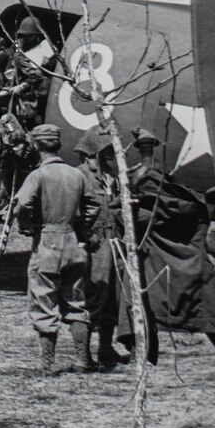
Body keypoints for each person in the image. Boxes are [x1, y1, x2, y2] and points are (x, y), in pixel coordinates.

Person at [12, 124, 102, 373]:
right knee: (76, 302)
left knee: (43, 300)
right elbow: (94, 204)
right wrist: (83, 229)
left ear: (37, 146)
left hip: (47, 241)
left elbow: (22, 204)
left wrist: (27, 226)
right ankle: (82, 359)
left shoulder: (38, 176)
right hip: (74, 242)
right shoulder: (77, 175)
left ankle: (48, 363)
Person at [73, 129, 125, 369]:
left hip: (115, 240)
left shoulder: (113, 177)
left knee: (113, 295)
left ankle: (105, 347)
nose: (109, 156)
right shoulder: (80, 176)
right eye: (104, 151)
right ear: (92, 152)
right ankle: (83, 355)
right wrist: (85, 236)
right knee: (92, 294)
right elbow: (74, 212)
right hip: (94, 244)